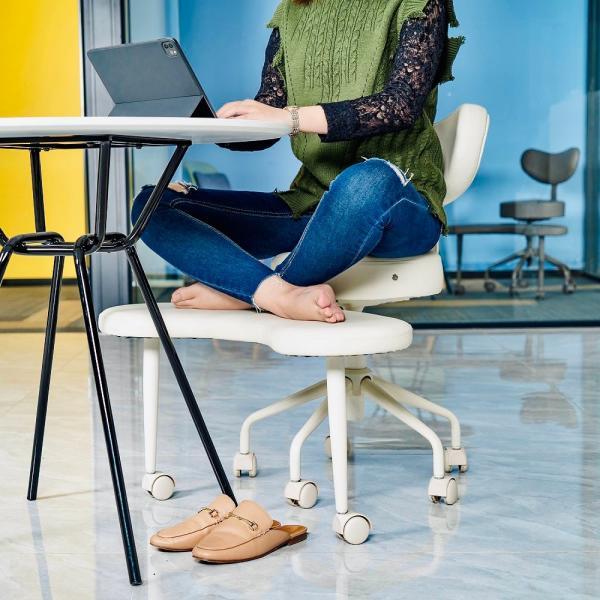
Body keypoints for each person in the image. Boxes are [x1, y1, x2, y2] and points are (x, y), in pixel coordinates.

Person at [132, 0, 464, 324]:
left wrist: (290, 117)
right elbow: (269, 117)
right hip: (313, 206)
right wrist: (213, 125)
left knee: (366, 180)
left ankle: (250, 290)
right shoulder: (291, 12)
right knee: (152, 203)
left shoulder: (418, 2)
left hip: (395, 206)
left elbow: (399, 106)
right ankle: (273, 293)